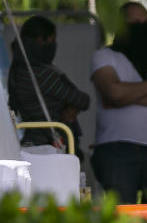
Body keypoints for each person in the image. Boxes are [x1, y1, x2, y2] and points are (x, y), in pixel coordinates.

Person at [90, 2, 147, 204]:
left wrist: (127, 94)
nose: (142, 26)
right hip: (117, 150)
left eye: (145, 22)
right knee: (122, 216)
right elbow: (114, 93)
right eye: (135, 22)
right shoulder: (105, 56)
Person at [8, 15, 90, 151]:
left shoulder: (19, 69)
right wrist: (73, 107)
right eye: (53, 39)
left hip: (34, 142)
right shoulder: (40, 74)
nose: (54, 45)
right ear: (41, 40)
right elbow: (82, 99)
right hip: (51, 145)